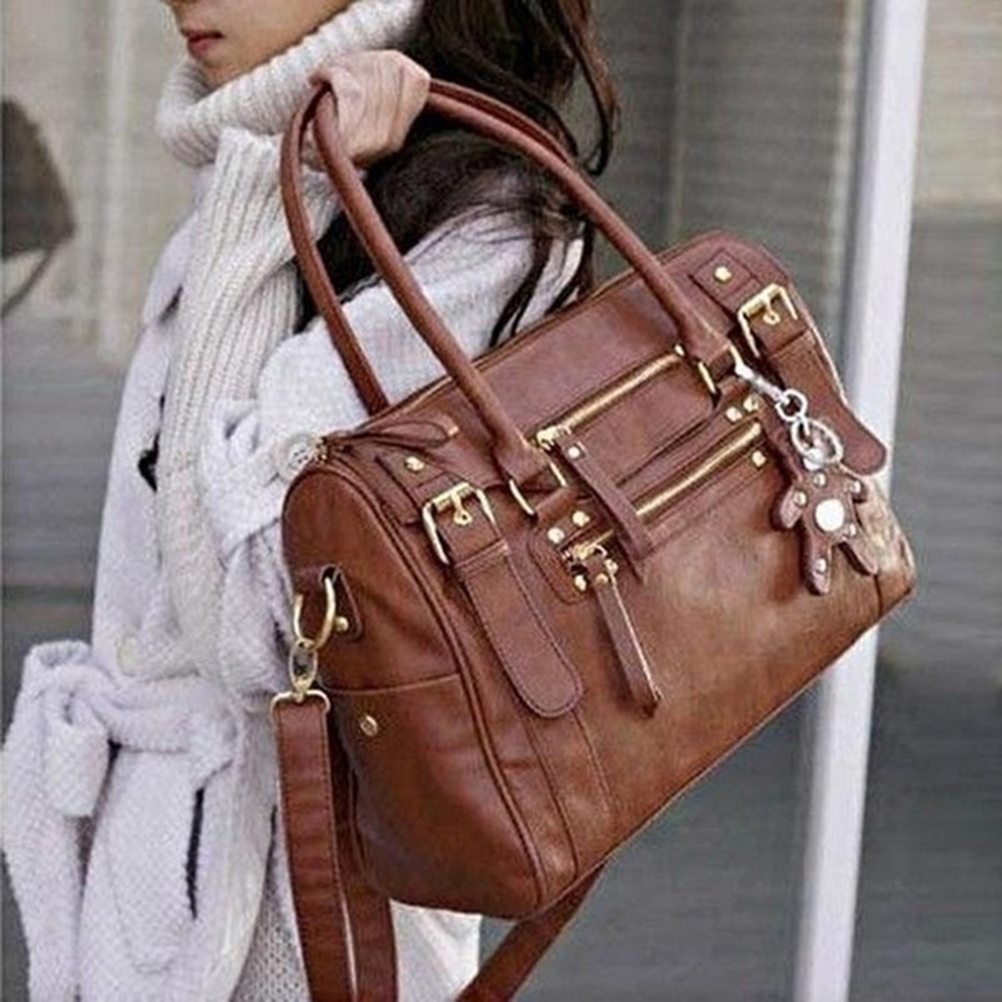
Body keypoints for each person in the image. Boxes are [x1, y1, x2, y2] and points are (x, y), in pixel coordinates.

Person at [2, 0, 618, 998]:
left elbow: (247, 629)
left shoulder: (484, 231)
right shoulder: (262, 168)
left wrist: (276, 192)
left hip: (298, 915)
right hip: (151, 885)